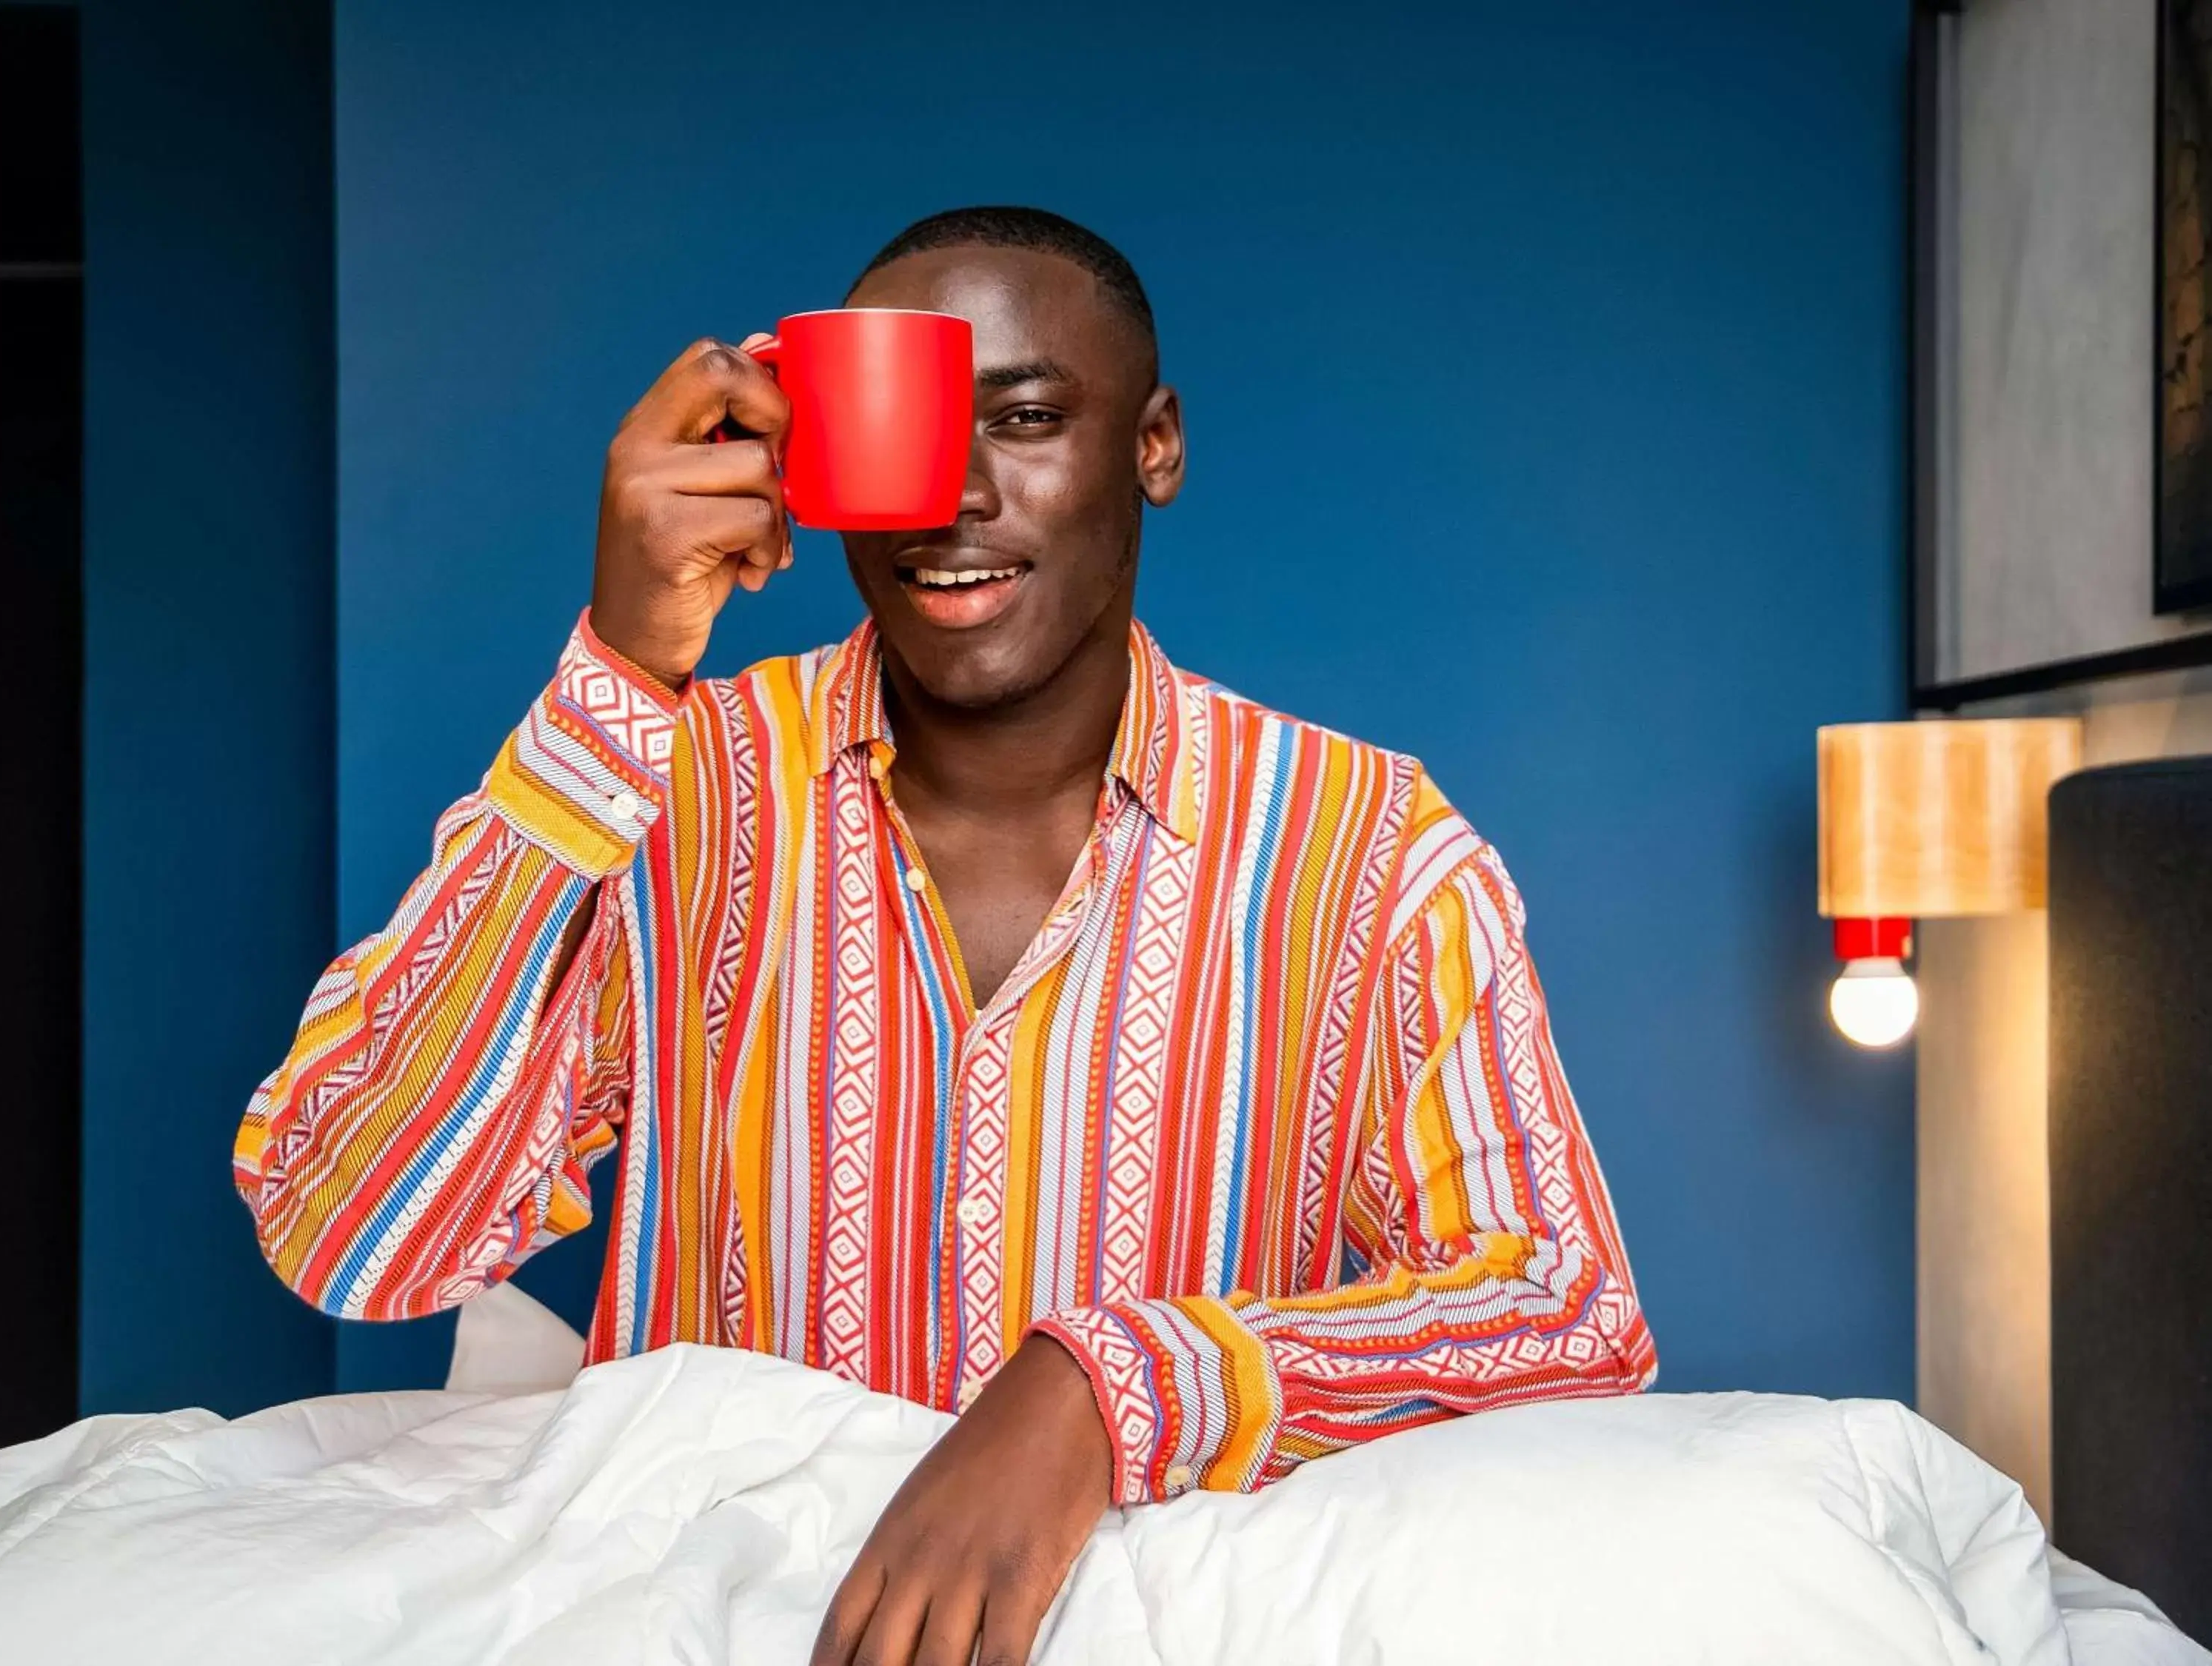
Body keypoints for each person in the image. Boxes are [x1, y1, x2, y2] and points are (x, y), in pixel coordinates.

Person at [235, 206, 1657, 1666]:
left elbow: (1567, 1312)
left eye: (1028, 419)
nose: (955, 497)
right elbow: (349, 1236)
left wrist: (1111, 1388)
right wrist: (617, 680)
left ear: (1153, 445)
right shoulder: (665, 788)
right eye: (899, 432)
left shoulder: (1372, 852)